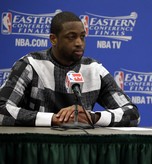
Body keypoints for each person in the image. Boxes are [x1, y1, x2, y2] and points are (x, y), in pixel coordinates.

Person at [0, 11, 140, 127]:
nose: (79, 43)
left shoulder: (94, 69)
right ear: (53, 39)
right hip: (37, 148)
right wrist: (54, 119)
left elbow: (133, 114)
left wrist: (93, 117)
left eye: (82, 37)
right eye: (71, 37)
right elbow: (1, 110)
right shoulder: (30, 65)